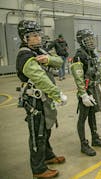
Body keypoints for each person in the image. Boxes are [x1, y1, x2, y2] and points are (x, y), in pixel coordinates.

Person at [16, 20, 67, 178]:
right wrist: (57, 94)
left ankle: (48, 155)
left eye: (39, 34)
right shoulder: (25, 55)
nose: (38, 38)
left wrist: (48, 59)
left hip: (45, 99)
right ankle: (38, 169)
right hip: (34, 101)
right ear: (25, 38)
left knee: (46, 129)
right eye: (34, 35)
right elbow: (40, 79)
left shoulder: (39, 51)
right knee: (38, 133)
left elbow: (59, 61)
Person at [71, 29, 101, 156]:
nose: (91, 42)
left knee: (93, 115)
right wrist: (83, 94)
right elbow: (78, 77)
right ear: (81, 41)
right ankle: (83, 144)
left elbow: (99, 71)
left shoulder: (92, 54)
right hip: (86, 91)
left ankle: (95, 138)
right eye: (88, 40)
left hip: (94, 89)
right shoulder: (79, 56)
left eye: (92, 39)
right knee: (83, 117)